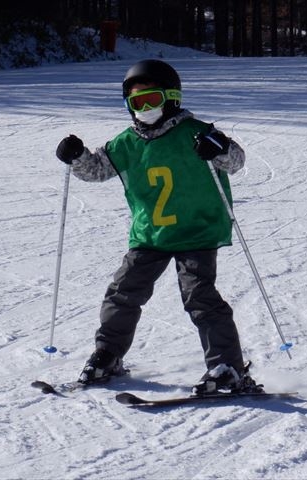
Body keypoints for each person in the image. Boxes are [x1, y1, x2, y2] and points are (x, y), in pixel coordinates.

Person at [54, 59, 260, 395]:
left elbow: (235, 161)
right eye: (137, 103)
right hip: (150, 235)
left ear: (171, 98)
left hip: (197, 232)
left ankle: (227, 368)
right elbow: (96, 170)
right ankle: (108, 354)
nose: (145, 109)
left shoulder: (195, 132)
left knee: (200, 297)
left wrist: (218, 146)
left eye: (152, 100)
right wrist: (76, 157)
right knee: (122, 292)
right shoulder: (125, 143)